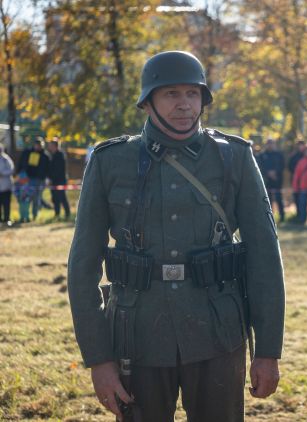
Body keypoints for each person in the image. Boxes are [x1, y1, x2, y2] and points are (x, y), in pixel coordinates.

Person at [67, 51, 285, 422]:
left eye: (192, 94)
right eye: (170, 94)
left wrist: (267, 350)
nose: (184, 105)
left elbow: (264, 257)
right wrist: (99, 360)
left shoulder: (234, 158)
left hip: (217, 334)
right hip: (138, 338)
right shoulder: (109, 162)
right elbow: (82, 266)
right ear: (148, 102)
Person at [17, 137, 50, 220]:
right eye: (37, 145)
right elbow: (21, 164)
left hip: (39, 180)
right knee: (25, 198)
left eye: (40, 145)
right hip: (27, 179)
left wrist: (45, 179)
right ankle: (25, 216)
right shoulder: (27, 152)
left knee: (37, 198)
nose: (38, 147)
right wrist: (19, 174)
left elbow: (47, 169)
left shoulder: (45, 156)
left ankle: (35, 215)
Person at [258, 138, 285, 222]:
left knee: (279, 198)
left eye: (272, 143)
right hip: (266, 181)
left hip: (277, 180)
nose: (270, 145)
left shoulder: (279, 155)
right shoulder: (262, 155)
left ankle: (282, 216)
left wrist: (275, 172)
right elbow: (260, 166)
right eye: (268, 143)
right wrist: (268, 173)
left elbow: (282, 165)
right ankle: (269, 217)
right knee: (267, 200)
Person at [47, 139, 71, 219]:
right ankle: (57, 214)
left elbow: (58, 170)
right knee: (55, 198)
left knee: (62, 197)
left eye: (51, 145)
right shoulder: (52, 155)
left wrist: (51, 178)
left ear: (55, 146)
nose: (49, 146)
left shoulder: (60, 155)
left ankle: (67, 214)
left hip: (60, 180)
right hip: (54, 181)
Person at [0, 144, 14, 225]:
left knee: (6, 203)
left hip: (6, 186)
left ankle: (7, 219)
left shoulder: (6, 159)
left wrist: (2, 174)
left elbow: (11, 169)